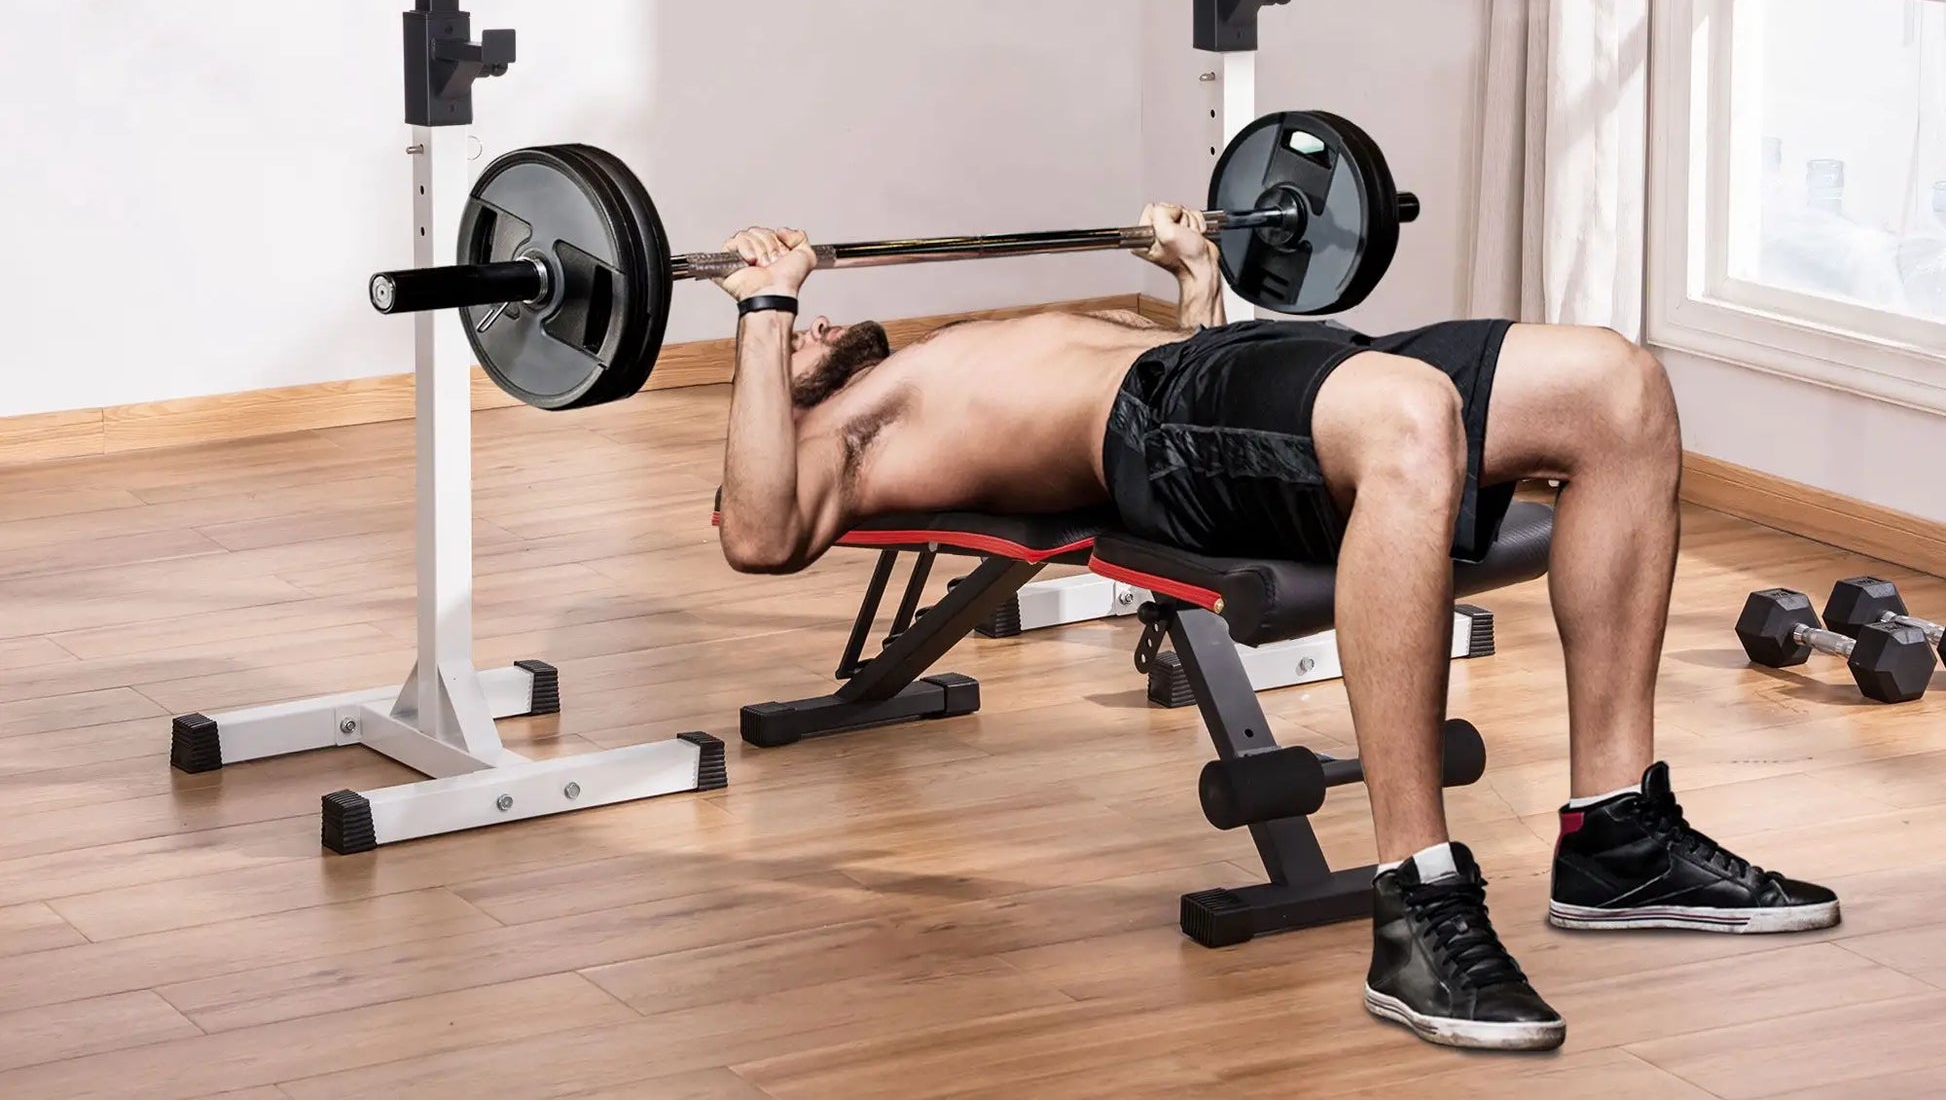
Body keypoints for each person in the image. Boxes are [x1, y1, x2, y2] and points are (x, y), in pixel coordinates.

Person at [713, 206, 1839, 1054]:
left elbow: (1247, 439)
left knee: (1615, 382)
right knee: (1407, 418)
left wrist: (1196, 279)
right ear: (780, 399)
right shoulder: (840, 438)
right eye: (796, 340)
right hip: (1157, 428)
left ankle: (1617, 836)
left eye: (797, 320)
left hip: (1220, 375)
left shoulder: (913, 366)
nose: (810, 322)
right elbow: (757, 530)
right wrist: (761, 315)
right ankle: (1416, 899)